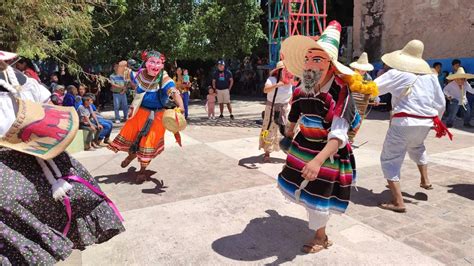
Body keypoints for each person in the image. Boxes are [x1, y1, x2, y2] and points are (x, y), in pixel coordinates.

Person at [0, 51, 124, 265]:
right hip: (10, 161)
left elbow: (50, 108)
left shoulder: (22, 81)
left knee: (70, 195)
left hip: (41, 153)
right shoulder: (23, 80)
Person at [278, 21, 361, 253]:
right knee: (303, 190)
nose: (310, 66)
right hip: (304, 146)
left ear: (331, 66)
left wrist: (317, 161)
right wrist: (289, 131)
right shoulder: (302, 88)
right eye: (308, 59)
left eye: (317, 60)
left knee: (319, 196)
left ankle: (320, 237)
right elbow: (295, 110)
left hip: (328, 151)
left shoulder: (341, 92)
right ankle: (319, 232)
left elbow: (338, 134)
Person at [374, 40, 450, 213]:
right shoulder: (431, 76)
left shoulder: (396, 74)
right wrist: (435, 122)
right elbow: (440, 103)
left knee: (390, 158)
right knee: (417, 147)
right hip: (425, 123)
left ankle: (398, 201)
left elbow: (372, 88)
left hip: (404, 122)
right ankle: (425, 180)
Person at [108, 50, 184, 183]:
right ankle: (131, 157)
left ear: (162, 64)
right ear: (146, 63)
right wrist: (123, 63)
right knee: (133, 139)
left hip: (157, 116)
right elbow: (120, 72)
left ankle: (142, 171)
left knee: (147, 143)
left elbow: (173, 91)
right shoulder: (138, 74)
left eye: (158, 63)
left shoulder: (164, 77)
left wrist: (181, 106)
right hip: (139, 113)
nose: (155, 65)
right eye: (152, 62)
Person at [259, 61, 293, 162]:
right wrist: (277, 85)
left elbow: (291, 95)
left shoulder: (290, 81)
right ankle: (267, 152)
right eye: (284, 70)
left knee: (290, 129)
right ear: (279, 71)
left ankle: (289, 151)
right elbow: (265, 90)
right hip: (272, 108)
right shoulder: (272, 79)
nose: (287, 72)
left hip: (285, 108)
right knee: (269, 129)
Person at [346, 52, 378, 143]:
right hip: (350, 102)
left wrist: (375, 98)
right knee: (347, 119)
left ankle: (350, 138)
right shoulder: (350, 75)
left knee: (357, 121)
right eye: (361, 69)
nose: (363, 71)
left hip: (361, 105)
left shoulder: (368, 78)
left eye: (364, 70)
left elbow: (372, 89)